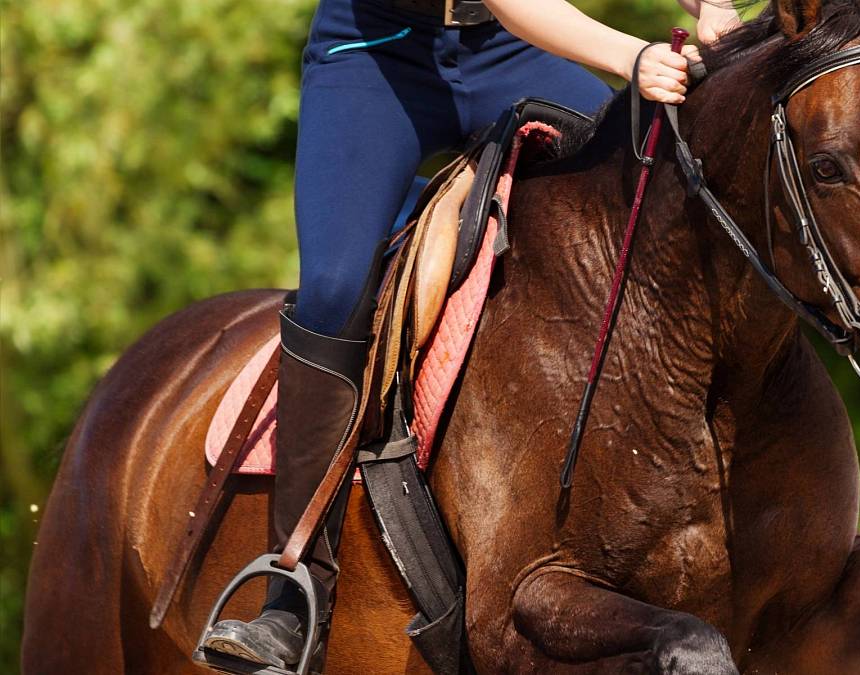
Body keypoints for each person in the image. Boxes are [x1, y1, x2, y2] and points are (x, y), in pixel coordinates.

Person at [200, 0, 741, 670]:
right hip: (374, 51)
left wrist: (712, 6)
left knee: (653, 173)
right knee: (336, 290)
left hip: (503, 56)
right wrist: (630, 57)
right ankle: (292, 591)